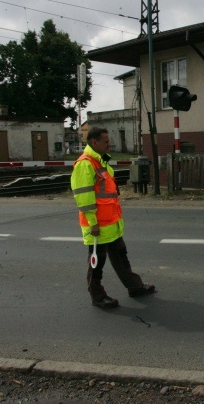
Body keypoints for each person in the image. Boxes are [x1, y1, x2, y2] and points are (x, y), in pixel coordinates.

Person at [71, 127, 155, 308]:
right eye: (106, 141)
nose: (110, 144)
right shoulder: (85, 164)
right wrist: (93, 222)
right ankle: (98, 297)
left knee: (121, 257)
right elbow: (84, 198)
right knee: (97, 264)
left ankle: (135, 287)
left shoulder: (99, 161)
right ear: (94, 143)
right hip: (97, 226)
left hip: (111, 224)